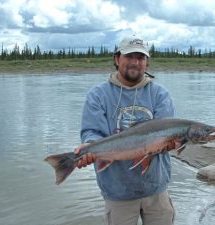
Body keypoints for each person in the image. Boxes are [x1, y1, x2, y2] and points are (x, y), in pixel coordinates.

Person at [74, 35, 175, 225]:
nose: (135, 62)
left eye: (141, 58)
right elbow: (91, 132)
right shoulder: (98, 95)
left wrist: (171, 143)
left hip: (156, 188)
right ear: (117, 59)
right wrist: (89, 146)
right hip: (117, 191)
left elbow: (167, 131)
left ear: (147, 63)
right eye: (129, 56)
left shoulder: (160, 94)